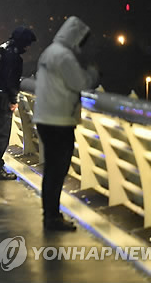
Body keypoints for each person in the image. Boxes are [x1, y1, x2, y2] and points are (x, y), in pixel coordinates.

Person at [33, 16, 99, 231]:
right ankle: (52, 218)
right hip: (59, 120)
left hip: (45, 117)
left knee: (51, 170)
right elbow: (80, 83)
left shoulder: (49, 52)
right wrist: (93, 73)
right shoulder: (64, 56)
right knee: (57, 170)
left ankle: (49, 215)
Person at [0, 27, 36, 180]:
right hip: (3, 97)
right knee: (1, 133)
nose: (27, 48)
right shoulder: (13, 56)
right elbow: (10, 80)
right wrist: (13, 99)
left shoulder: (2, 48)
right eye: (27, 44)